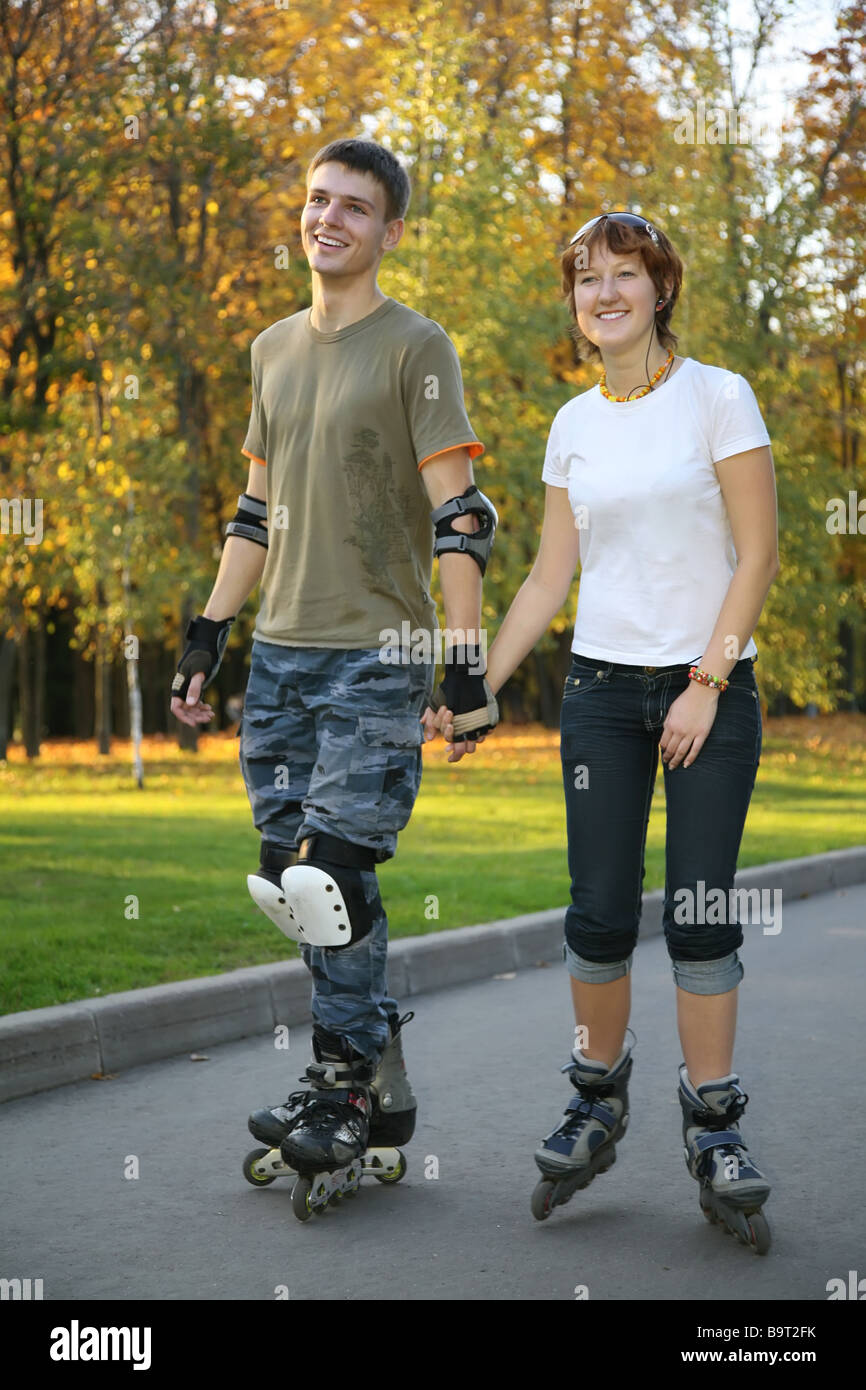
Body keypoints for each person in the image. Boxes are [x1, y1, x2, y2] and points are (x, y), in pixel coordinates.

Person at [429, 211, 779, 1250]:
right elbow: (547, 576)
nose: (603, 294)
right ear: (574, 302)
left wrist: (706, 678)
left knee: (703, 912)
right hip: (598, 693)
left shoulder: (718, 397)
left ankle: (713, 1123)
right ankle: (596, 1096)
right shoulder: (571, 422)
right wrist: (471, 683)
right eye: (586, 280)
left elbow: (756, 553)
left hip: (704, 690)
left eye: (623, 275)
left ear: (659, 288)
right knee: (596, 912)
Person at [170, 137, 498, 1197]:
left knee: (332, 873)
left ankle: (342, 1086)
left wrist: (462, 663)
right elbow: (254, 511)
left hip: (378, 650)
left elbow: (461, 512)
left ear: (388, 231)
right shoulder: (272, 349)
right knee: (290, 882)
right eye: (317, 200)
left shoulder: (418, 347)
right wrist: (208, 632)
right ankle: (370, 1073)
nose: (329, 219)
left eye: (354, 208)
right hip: (279, 655)